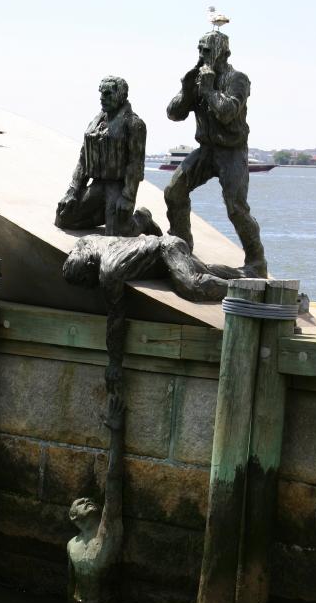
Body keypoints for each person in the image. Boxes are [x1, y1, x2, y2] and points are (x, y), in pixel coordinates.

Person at [63, 233, 248, 393]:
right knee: (203, 270)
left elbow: (116, 315)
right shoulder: (87, 243)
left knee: (192, 286)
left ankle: (247, 290)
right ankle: (248, 273)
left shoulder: (109, 271)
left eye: (85, 280)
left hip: (167, 249)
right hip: (162, 250)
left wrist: (114, 363)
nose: (86, 287)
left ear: (89, 264)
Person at [164, 31, 267, 277]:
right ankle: (182, 246)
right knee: (174, 191)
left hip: (232, 152)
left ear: (224, 52)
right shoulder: (199, 79)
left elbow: (228, 111)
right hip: (206, 150)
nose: (201, 55)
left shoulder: (238, 79)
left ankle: (257, 261)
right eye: (199, 49)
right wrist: (188, 88)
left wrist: (209, 90)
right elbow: (173, 114)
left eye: (207, 50)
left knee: (236, 208)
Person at [55, 76, 161, 236]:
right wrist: (73, 190)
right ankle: (106, 215)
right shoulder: (95, 123)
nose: (102, 98)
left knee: (116, 234)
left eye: (108, 94)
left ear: (122, 96)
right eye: (101, 93)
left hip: (117, 187)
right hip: (97, 185)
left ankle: (142, 219)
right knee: (63, 216)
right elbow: (83, 159)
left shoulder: (134, 124)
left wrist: (128, 197)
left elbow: (135, 165)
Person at [67, 394, 125, 603]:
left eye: (88, 500)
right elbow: (70, 583)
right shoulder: (72, 545)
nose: (88, 501)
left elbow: (113, 482)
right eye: (81, 503)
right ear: (74, 518)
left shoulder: (106, 532)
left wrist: (116, 433)